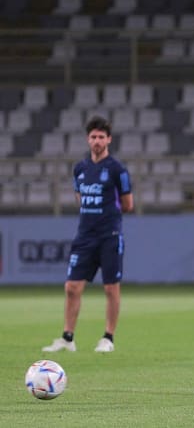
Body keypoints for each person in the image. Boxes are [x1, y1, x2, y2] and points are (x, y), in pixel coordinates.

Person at [43, 115, 134, 353]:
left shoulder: (117, 169)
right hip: (84, 236)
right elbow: (79, 198)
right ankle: (67, 338)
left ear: (109, 140)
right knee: (72, 287)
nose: (97, 141)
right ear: (87, 139)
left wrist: (108, 215)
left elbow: (128, 204)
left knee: (110, 288)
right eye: (93, 136)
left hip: (109, 235)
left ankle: (108, 338)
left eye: (101, 137)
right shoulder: (80, 168)